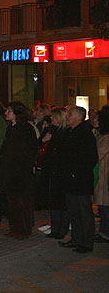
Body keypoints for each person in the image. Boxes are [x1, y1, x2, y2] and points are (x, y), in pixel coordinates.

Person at [59, 105, 98, 253]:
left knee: (84, 211)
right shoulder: (71, 132)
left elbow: (90, 158)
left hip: (80, 180)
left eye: (70, 114)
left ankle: (86, 242)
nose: (67, 116)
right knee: (74, 211)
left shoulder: (84, 133)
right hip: (71, 179)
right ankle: (77, 238)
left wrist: (76, 172)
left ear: (78, 117)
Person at [0, 102, 39, 239]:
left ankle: (24, 229)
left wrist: (22, 166)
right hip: (10, 171)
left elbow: (30, 151)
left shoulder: (26, 129)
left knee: (22, 201)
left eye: (9, 111)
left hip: (21, 172)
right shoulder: (11, 129)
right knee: (12, 201)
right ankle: (15, 228)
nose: (6, 113)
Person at [41, 107, 70, 239]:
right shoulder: (54, 132)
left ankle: (60, 229)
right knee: (54, 202)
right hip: (53, 172)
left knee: (60, 203)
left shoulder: (64, 134)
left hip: (60, 173)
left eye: (53, 116)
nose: (51, 118)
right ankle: (56, 228)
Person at [94, 105, 109, 244]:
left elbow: (97, 154)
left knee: (105, 207)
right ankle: (104, 231)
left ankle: (105, 233)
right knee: (103, 207)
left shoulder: (106, 138)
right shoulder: (102, 136)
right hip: (102, 177)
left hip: (105, 178)